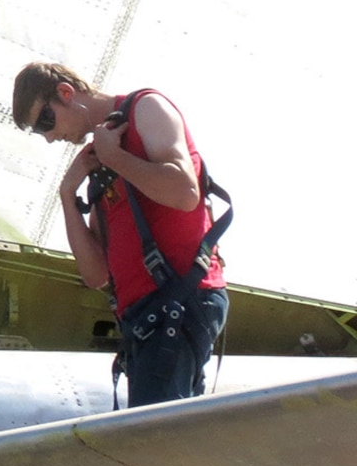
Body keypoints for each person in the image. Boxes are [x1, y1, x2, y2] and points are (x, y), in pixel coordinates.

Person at [12, 62, 228, 406]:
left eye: (46, 120)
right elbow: (95, 274)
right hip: (148, 317)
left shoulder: (146, 108)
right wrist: (68, 196)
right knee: (157, 439)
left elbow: (185, 192)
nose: (50, 137)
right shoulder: (102, 155)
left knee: (154, 441)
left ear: (66, 94)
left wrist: (115, 157)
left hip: (178, 302)